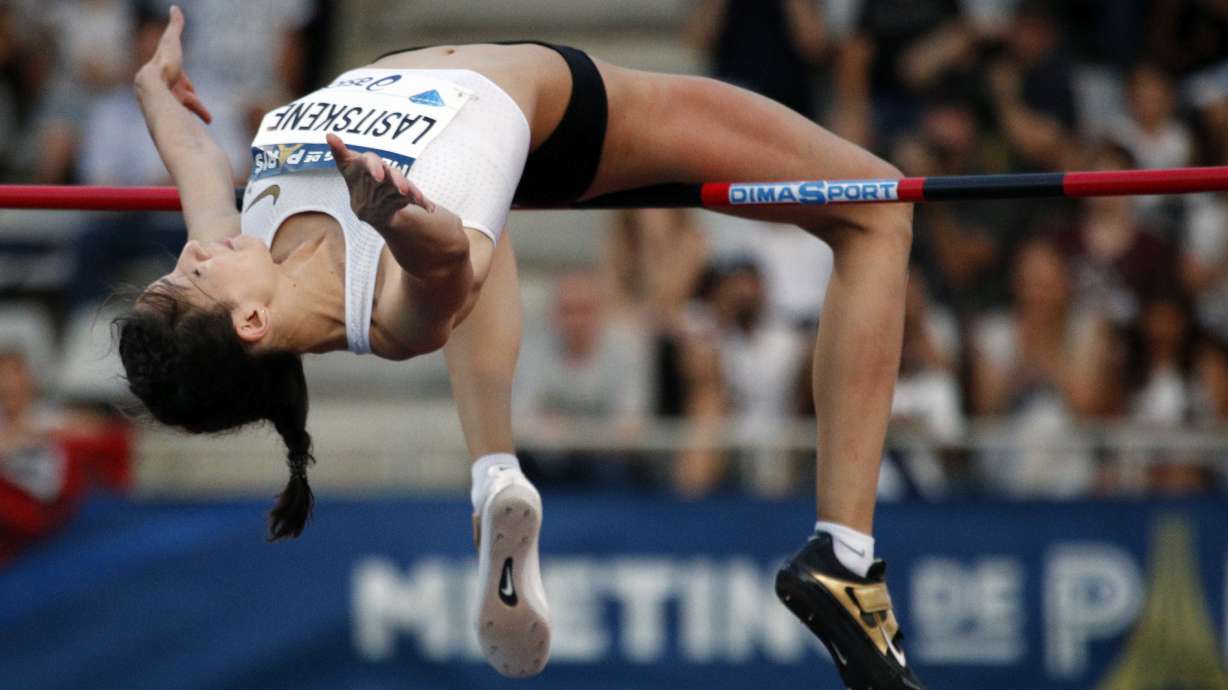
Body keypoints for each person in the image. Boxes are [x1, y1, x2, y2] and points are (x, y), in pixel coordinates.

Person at [118, 8, 920, 688]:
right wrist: (402, 220)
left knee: (479, 215)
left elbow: (196, 156)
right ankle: (847, 561)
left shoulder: (237, 245)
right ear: (251, 324)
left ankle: (495, 476)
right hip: (553, 111)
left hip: (453, 99)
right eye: (191, 276)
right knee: (877, 206)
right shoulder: (390, 312)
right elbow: (446, 269)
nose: (192, 253)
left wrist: (154, 91)